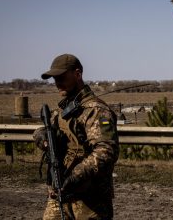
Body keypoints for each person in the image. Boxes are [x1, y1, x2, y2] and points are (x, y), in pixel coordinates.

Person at [34, 54, 119, 219]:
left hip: (90, 200)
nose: (57, 82)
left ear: (77, 74)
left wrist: (73, 176)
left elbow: (106, 151)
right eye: (54, 78)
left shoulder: (97, 110)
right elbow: (43, 131)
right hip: (59, 196)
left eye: (61, 77)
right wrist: (42, 136)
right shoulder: (63, 111)